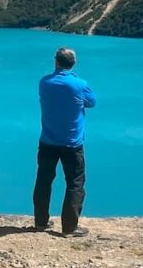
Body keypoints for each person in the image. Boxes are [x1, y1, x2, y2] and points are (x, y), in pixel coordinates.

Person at [33, 47, 96, 237]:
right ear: (73, 63)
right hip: (72, 143)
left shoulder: (44, 82)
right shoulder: (79, 84)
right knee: (75, 183)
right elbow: (91, 102)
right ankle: (69, 227)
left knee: (43, 181)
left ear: (56, 61)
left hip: (48, 141)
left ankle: (40, 222)